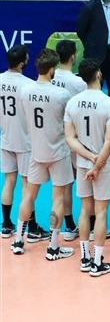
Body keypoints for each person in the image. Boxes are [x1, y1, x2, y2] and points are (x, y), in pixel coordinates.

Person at [10, 49, 73, 260]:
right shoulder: (62, 94)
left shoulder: (25, 91)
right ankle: (53, 247)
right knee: (58, 198)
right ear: (52, 69)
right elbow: (68, 123)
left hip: (36, 152)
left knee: (28, 195)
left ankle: (18, 241)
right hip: (58, 153)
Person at [63, 58, 110, 276]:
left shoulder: (72, 103)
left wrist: (88, 157)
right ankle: (97, 263)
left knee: (85, 210)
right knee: (101, 211)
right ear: (98, 75)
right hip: (102, 165)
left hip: (82, 163)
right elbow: (109, 142)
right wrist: (96, 166)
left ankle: (84, 258)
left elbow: (70, 138)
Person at [0, 45, 48, 241]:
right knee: (28, 186)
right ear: (22, 63)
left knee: (9, 180)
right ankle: (33, 228)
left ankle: (6, 225)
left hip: (6, 138)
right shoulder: (29, 85)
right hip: (26, 141)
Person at [51, 39, 87, 241]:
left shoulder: (50, 76)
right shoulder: (78, 83)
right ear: (73, 56)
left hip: (54, 138)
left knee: (64, 185)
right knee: (85, 182)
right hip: (75, 139)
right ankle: (89, 224)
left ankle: (70, 225)